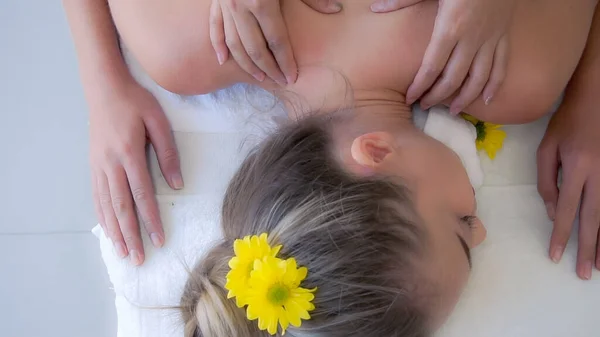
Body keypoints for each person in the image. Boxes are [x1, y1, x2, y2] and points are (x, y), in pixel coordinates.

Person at [62, 1, 600, 331]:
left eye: (461, 229)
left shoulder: (518, 67)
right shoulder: (183, 43)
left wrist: (104, 90)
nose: (482, 229)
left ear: (376, 153)